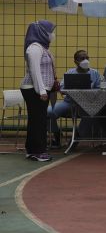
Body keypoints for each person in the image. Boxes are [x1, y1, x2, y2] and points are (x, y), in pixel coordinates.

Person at [47, 49, 101, 148]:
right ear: (76, 61)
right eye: (82, 58)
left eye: (87, 58)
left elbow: (99, 89)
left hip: (87, 104)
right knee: (48, 111)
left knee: (92, 113)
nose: (85, 60)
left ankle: (77, 137)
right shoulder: (70, 72)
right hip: (69, 103)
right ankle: (57, 135)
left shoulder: (95, 73)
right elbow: (62, 89)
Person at [20, 20, 57, 162]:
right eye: (50, 31)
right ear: (41, 32)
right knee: (39, 121)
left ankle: (31, 149)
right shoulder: (34, 48)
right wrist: (41, 90)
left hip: (41, 89)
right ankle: (38, 151)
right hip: (33, 89)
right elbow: (35, 72)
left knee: (36, 120)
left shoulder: (43, 47)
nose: (52, 34)